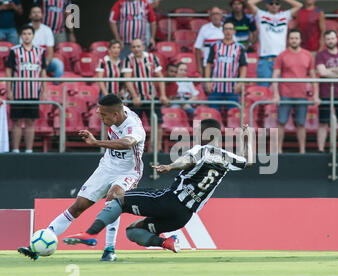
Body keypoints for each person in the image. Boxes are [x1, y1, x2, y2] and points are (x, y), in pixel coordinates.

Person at [62, 119, 253, 253]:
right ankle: (167, 242)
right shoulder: (227, 158)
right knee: (133, 231)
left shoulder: (201, 149)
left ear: (205, 134)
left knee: (118, 200)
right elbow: (249, 161)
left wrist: (170, 165)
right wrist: (247, 138)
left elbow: (187, 160)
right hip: (183, 216)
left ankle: (89, 233)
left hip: (170, 200)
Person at [18, 94, 146, 261]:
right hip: (106, 167)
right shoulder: (119, 112)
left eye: (103, 114)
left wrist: (96, 143)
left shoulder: (134, 126)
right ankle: (38, 245)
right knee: (78, 206)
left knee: (114, 198)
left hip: (129, 172)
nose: (99, 117)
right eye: (99, 113)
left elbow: (127, 143)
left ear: (115, 114)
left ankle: (109, 251)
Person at [272, 28, 319, 154]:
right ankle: (278, 150)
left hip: (301, 95)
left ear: (300, 40)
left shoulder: (307, 55)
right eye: (292, 38)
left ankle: (302, 151)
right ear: (288, 40)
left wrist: (316, 95)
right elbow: (275, 75)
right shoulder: (282, 55)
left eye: (296, 38)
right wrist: (276, 94)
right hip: (285, 94)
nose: (294, 40)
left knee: (301, 124)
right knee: (281, 123)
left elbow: (313, 76)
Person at [122, 38, 169, 152]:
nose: (136, 49)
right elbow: (127, 80)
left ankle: (157, 150)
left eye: (138, 46)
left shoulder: (152, 58)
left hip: (151, 97)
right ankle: (134, 150)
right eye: (134, 47)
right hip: (135, 99)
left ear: (143, 47)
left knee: (157, 124)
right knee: (133, 126)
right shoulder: (128, 60)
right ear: (131, 48)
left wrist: (162, 95)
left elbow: (160, 77)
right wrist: (134, 96)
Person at [6, 25, 47, 154]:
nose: (27, 36)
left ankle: (29, 150)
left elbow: (43, 72)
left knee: (30, 121)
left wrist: (44, 90)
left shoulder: (40, 51)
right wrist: (9, 90)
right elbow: (8, 72)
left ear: (33, 35)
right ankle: (16, 149)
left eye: (29, 33)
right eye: (24, 33)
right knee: (17, 121)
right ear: (20, 35)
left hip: (34, 91)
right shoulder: (14, 51)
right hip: (18, 92)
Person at [247, 0, 303, 87]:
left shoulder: (285, 15)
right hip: (264, 58)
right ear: (266, 5)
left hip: (281, 59)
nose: (274, 5)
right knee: (263, 90)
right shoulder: (261, 14)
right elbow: (250, 3)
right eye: (271, 3)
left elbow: (299, 5)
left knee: (280, 89)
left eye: (277, 3)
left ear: (280, 5)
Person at [205, 21, 247, 114]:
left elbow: (243, 66)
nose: (228, 31)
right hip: (216, 86)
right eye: (226, 29)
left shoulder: (239, 48)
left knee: (233, 114)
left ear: (234, 31)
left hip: (232, 87)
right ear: (223, 31)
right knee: (213, 114)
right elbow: (208, 64)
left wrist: (240, 83)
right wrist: (207, 81)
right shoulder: (215, 46)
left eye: (230, 29)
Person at [27, 4, 64, 78]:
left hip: (44, 62)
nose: (36, 14)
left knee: (58, 64)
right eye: (34, 12)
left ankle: (55, 86)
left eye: (38, 12)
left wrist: (44, 66)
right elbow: (23, 50)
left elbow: (50, 52)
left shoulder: (47, 30)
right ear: (30, 15)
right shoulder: (25, 29)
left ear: (42, 15)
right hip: (29, 63)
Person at [194, 6, 225, 77]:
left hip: (224, 66)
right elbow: (197, 48)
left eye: (217, 14)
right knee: (208, 87)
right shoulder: (204, 29)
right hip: (208, 65)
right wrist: (199, 67)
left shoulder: (227, 27)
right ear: (210, 16)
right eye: (213, 14)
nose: (215, 16)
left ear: (221, 15)